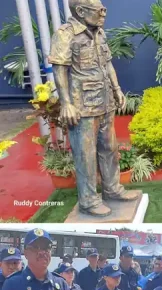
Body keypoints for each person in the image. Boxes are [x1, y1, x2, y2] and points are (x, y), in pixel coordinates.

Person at [49, 0, 138, 216]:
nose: (104, 14)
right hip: (83, 106)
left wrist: (116, 89)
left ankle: (112, 189)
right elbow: (59, 69)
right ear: (80, 11)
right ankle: (88, 200)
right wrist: (67, 103)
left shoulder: (99, 32)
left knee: (110, 147)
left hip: (105, 100)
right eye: (99, 10)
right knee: (85, 154)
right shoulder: (65, 34)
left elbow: (107, 64)